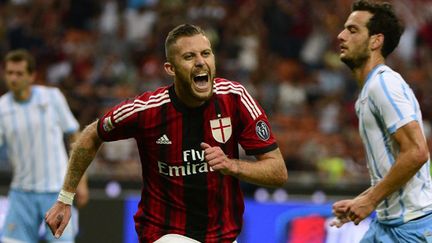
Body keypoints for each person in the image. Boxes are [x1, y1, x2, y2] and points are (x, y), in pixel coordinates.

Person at [45, 24, 288, 242]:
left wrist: (232, 165)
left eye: (206, 53)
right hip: (165, 234)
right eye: (189, 56)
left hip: (223, 236)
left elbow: (278, 171)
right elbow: (91, 134)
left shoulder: (234, 97)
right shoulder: (147, 111)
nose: (201, 62)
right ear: (170, 68)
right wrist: (65, 198)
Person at [331, 1, 432, 242]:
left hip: (411, 228)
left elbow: (417, 152)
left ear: (376, 41)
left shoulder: (384, 85)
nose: (341, 35)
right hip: (387, 225)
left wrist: (370, 200)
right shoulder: (368, 92)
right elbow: (395, 166)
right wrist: (363, 199)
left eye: (353, 30)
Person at [0, 49, 89, 243]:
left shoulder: (52, 97)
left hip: (57, 192)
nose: (13, 78)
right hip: (21, 193)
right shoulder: (2, 108)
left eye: (19, 73)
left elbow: (76, 136)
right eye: (9, 73)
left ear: (31, 76)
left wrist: (80, 181)